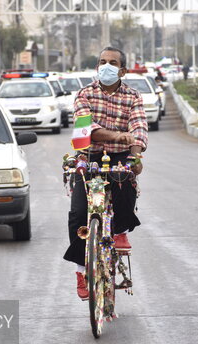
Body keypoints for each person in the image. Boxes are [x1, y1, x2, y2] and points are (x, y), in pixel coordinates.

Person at [64, 46, 148, 300]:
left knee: (125, 189)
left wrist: (135, 155)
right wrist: (120, 135)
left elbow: (139, 127)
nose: (106, 66)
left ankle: (120, 231)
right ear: (97, 66)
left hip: (119, 158)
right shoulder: (84, 94)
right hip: (88, 158)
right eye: (102, 61)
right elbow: (87, 127)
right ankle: (81, 271)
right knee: (79, 214)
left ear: (123, 70)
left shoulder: (133, 97)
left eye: (112, 62)